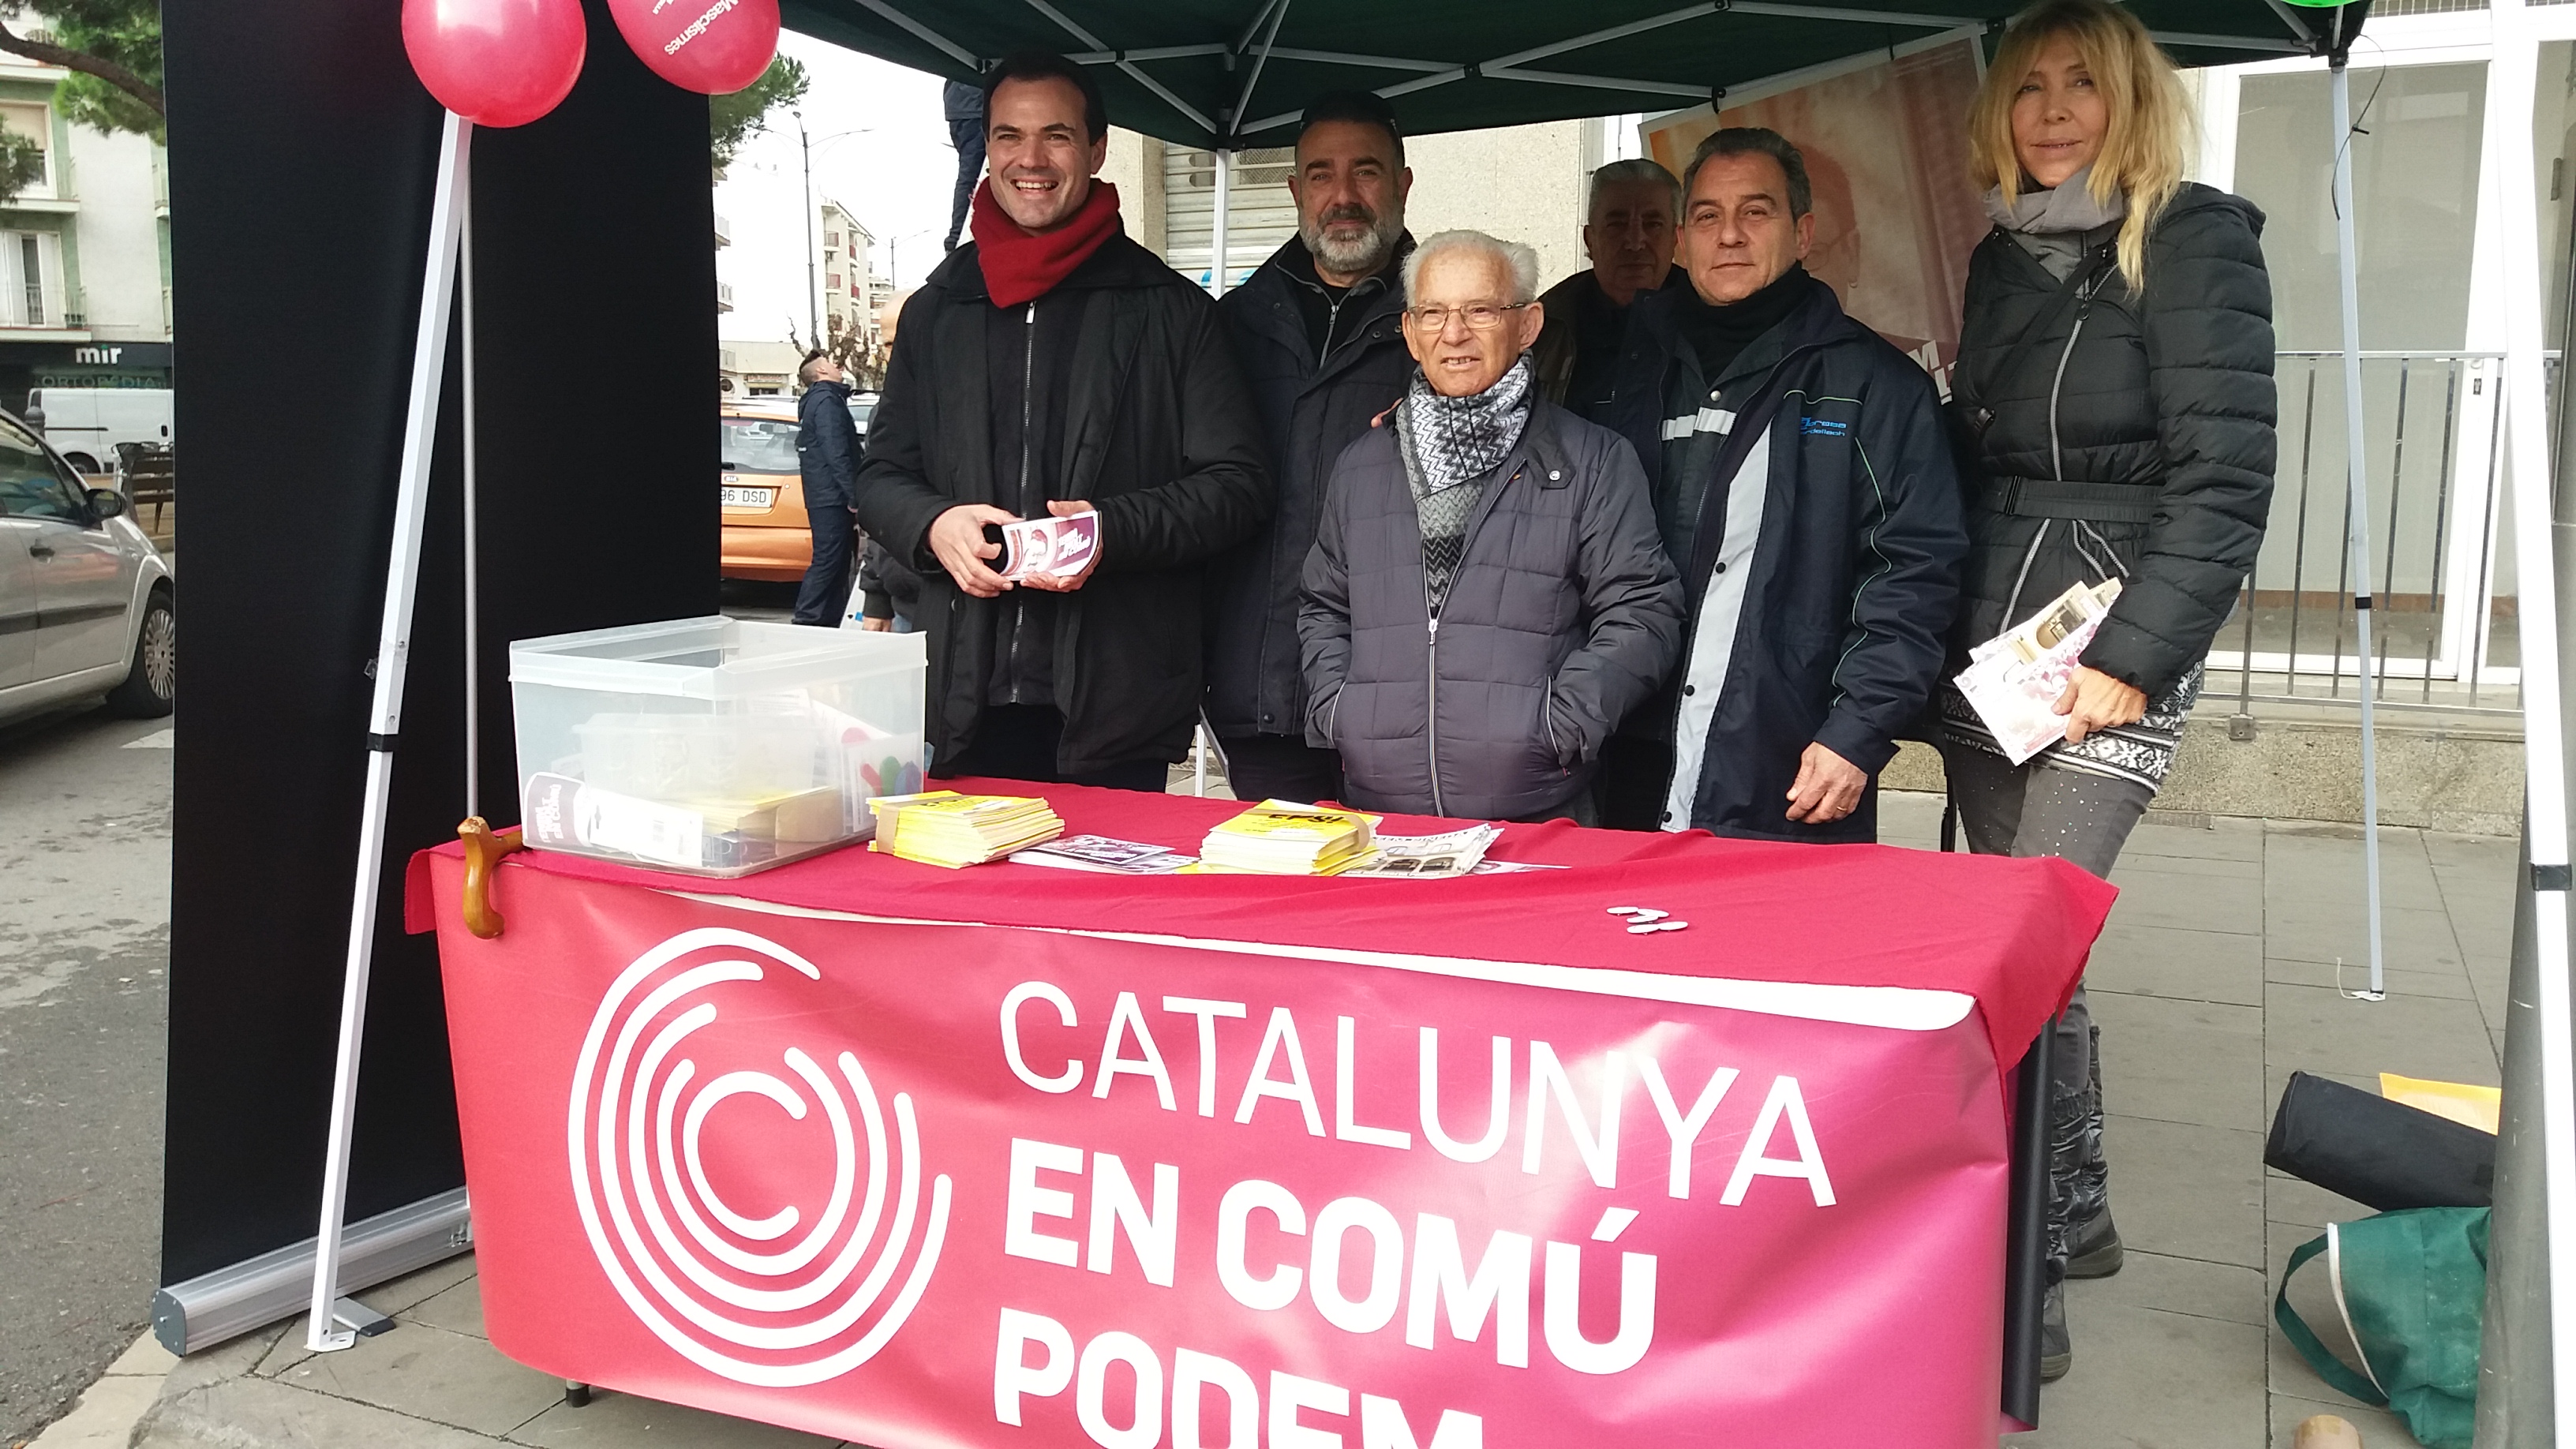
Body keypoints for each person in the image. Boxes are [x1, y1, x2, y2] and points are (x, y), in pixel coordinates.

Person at [1935, 0, 2274, 1383]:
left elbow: (2225, 478)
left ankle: (2019, 1291)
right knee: (2034, 957)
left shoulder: (2190, 239)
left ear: (2130, 98)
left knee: (2025, 944)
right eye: (2028, 87)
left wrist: (2132, 657)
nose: (2053, 108)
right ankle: (2070, 1213)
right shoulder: (1997, 253)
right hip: (1996, 650)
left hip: (2116, 642)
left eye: (2082, 83)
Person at [852, 51, 1270, 792]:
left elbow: (1239, 486)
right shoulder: (936, 311)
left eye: (1057, 136)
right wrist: (931, 526)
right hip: (958, 703)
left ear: (1097, 149)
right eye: (1009, 136)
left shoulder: (1173, 313)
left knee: (1101, 912)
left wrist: (1111, 532)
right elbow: (882, 474)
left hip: (1115, 707)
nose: (1031, 160)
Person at [1593, 127, 1965, 842]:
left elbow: (1914, 577)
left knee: (1767, 953)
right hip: (1622, 750)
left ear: (1802, 232)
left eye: (1754, 212)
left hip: (1789, 760)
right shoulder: (1624, 374)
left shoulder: (1876, 389)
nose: (1728, 235)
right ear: (1681, 239)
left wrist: (1858, 730)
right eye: (1707, 216)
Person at [1300, 230, 1683, 824]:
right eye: (1433, 313)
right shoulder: (1362, 466)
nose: (1454, 334)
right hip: (1380, 819)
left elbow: (1643, 611)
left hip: (1538, 811)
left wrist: (1559, 723)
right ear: (1409, 332)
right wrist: (1341, 711)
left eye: (1480, 310)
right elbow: (1322, 605)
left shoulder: (1593, 460)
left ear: (1528, 325)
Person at [1207, 91, 1417, 804]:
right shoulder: (1233, 324)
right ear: (1297, 190)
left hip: (1399, 697)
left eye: (1366, 172)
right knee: (1281, 896)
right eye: (1322, 175)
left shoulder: (1444, 329)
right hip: (1257, 688)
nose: (1344, 196)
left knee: (1399, 903)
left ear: (1402, 184)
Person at [1530, 158, 1686, 417]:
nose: (1635, 243)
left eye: (1653, 224)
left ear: (1676, 237)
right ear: (1590, 239)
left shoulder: (1711, 317)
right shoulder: (1544, 327)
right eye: (1617, 224)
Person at [790, 350, 861, 627]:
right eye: (832, 363)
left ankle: (827, 619)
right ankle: (808, 619)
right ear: (821, 372)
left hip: (824, 492)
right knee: (829, 558)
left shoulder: (818, 400)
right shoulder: (827, 400)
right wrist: (853, 495)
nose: (838, 366)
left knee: (837, 558)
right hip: (831, 495)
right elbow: (837, 450)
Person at [942, 78, 987, 253]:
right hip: (974, 106)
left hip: (965, 106)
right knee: (972, 175)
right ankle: (956, 239)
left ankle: (956, 238)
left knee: (971, 173)